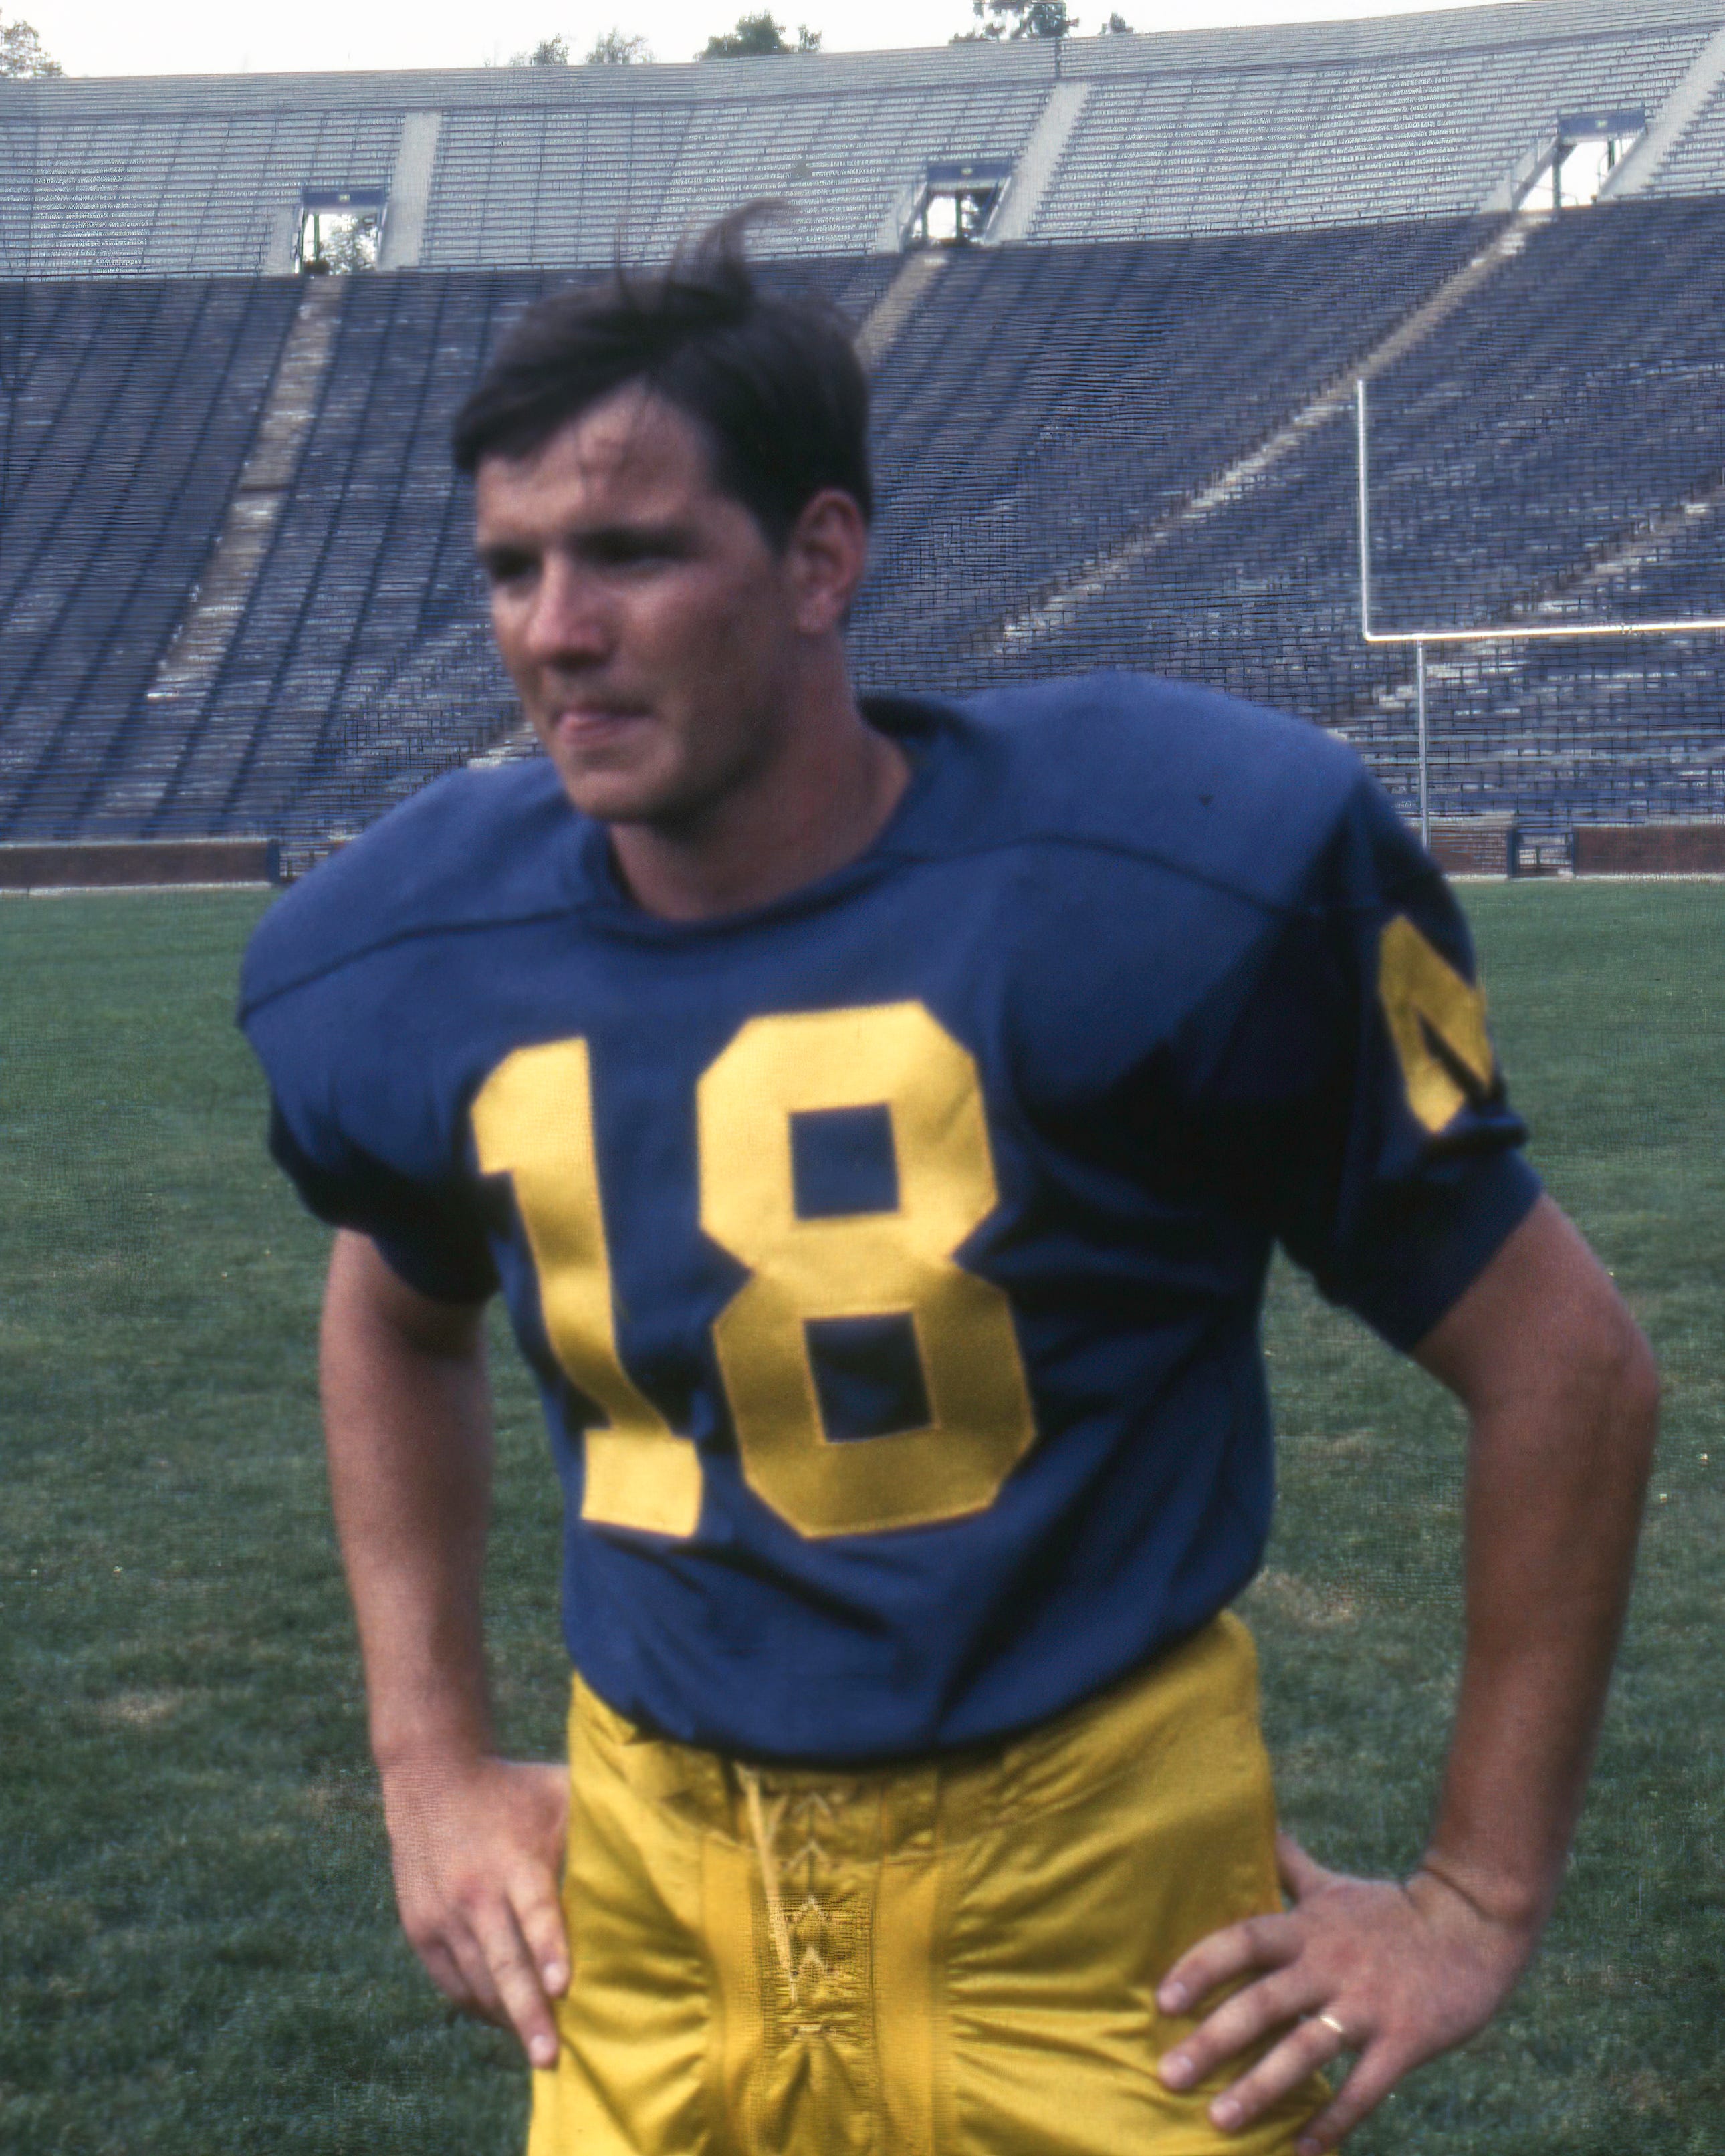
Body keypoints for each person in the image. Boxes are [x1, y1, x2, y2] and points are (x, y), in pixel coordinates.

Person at [239, 214, 1657, 2156]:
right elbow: (394, 1301)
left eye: (632, 551)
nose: (552, 629)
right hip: (648, 1925)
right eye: (512, 566)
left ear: (822, 555)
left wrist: (1473, 1899)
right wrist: (422, 1759)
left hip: (1096, 1918)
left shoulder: (1162, 876)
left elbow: (1565, 1367)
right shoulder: (416, 941)